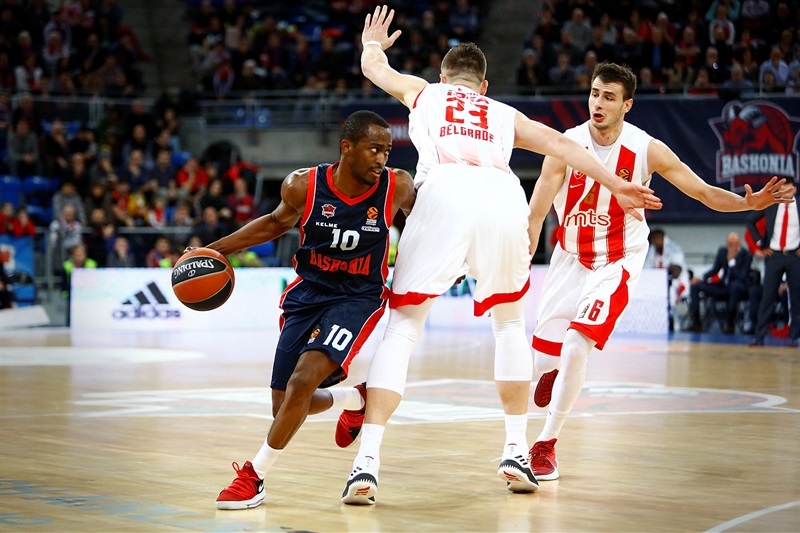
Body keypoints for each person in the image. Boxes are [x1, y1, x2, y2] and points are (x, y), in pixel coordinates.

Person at [340, 6, 663, 505]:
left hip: (444, 192)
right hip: (501, 197)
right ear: (483, 87)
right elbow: (560, 144)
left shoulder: (425, 93)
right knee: (509, 326)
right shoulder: (503, 114)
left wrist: (374, 45)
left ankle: (367, 465)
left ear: (445, 78)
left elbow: (373, 70)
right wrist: (618, 181)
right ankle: (515, 449)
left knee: (404, 326)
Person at [525, 62, 793, 482]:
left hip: (617, 260)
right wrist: (523, 257)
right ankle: (551, 373)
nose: (598, 103)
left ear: (627, 105)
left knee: (579, 343)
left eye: (609, 97)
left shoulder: (647, 149)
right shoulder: (565, 144)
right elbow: (538, 209)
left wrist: (748, 204)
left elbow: (703, 192)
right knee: (542, 360)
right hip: (570, 258)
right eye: (595, 93)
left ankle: (545, 445)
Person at [207, 110, 416, 510]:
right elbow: (272, 224)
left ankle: (254, 477)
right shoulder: (304, 186)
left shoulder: (398, 186)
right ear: (347, 147)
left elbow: (424, 223)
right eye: (374, 149)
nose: (381, 159)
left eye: (387, 151)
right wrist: (215, 250)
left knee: (303, 383)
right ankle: (357, 401)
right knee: (284, 402)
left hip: (357, 297)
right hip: (309, 293)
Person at [746, 180, 799, 347]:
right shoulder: (772, 205)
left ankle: (795, 337)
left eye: (788, 188)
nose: (785, 191)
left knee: (796, 297)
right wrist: (761, 243)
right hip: (774, 255)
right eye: (782, 188)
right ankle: (759, 337)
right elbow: (750, 220)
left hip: (794, 256)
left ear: (795, 189)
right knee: (767, 296)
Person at [686, 232, 753, 333]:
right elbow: (715, 269)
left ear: (739, 243)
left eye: (735, 243)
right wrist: (701, 277)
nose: (732, 246)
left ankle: (730, 324)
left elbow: (741, 277)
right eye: (730, 244)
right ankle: (696, 323)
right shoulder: (722, 251)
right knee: (695, 286)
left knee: (735, 286)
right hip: (723, 287)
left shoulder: (746, 255)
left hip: (738, 289)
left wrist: (731, 262)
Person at [644, 228, 689, 331]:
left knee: (670, 292)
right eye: (653, 239)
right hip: (658, 281)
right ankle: (655, 321)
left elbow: (677, 270)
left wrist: (664, 272)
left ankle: (672, 320)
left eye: (656, 239)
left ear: (662, 237)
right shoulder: (652, 250)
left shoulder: (674, 248)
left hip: (677, 281)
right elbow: (646, 269)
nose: (655, 241)